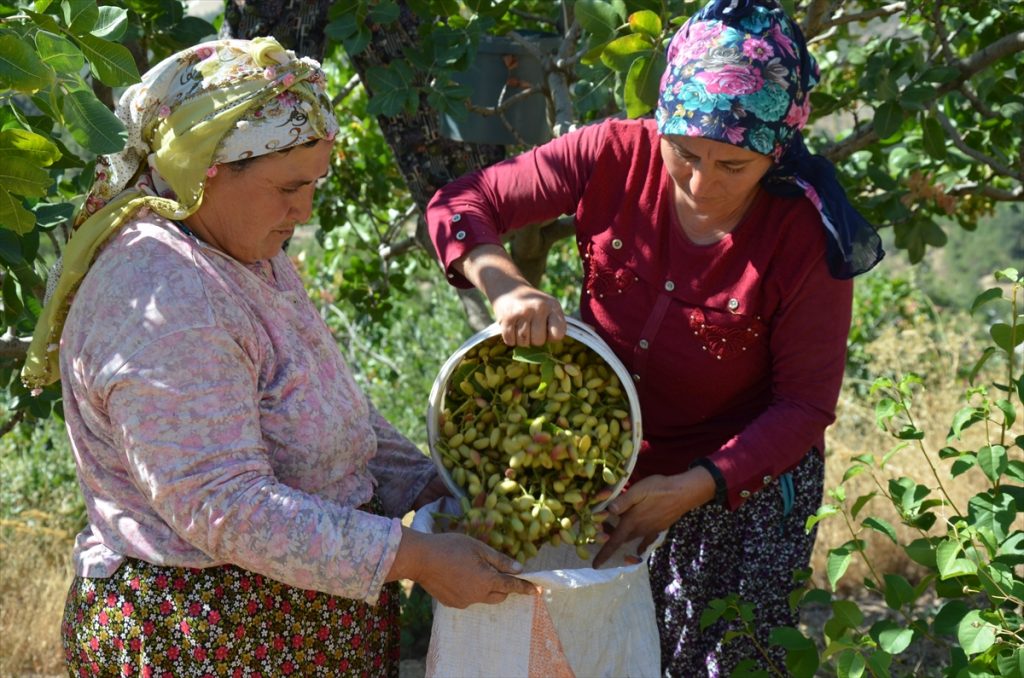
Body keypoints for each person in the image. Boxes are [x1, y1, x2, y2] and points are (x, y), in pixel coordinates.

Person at [21, 38, 534, 677]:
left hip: (289, 633)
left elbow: (322, 403)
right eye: (289, 187)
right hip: (205, 642)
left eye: (314, 184)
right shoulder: (163, 297)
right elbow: (224, 505)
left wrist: (434, 487)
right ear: (206, 167)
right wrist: (418, 557)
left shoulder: (241, 248)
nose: (305, 210)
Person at [425, 0, 884, 674]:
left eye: (733, 167)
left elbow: (805, 407)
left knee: (724, 658)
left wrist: (696, 485)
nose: (701, 184)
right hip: (607, 470)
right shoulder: (612, 155)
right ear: (661, 122)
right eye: (685, 153)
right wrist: (507, 286)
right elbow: (459, 204)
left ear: (774, 152)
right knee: (609, 652)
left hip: (739, 483)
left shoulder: (804, 238)